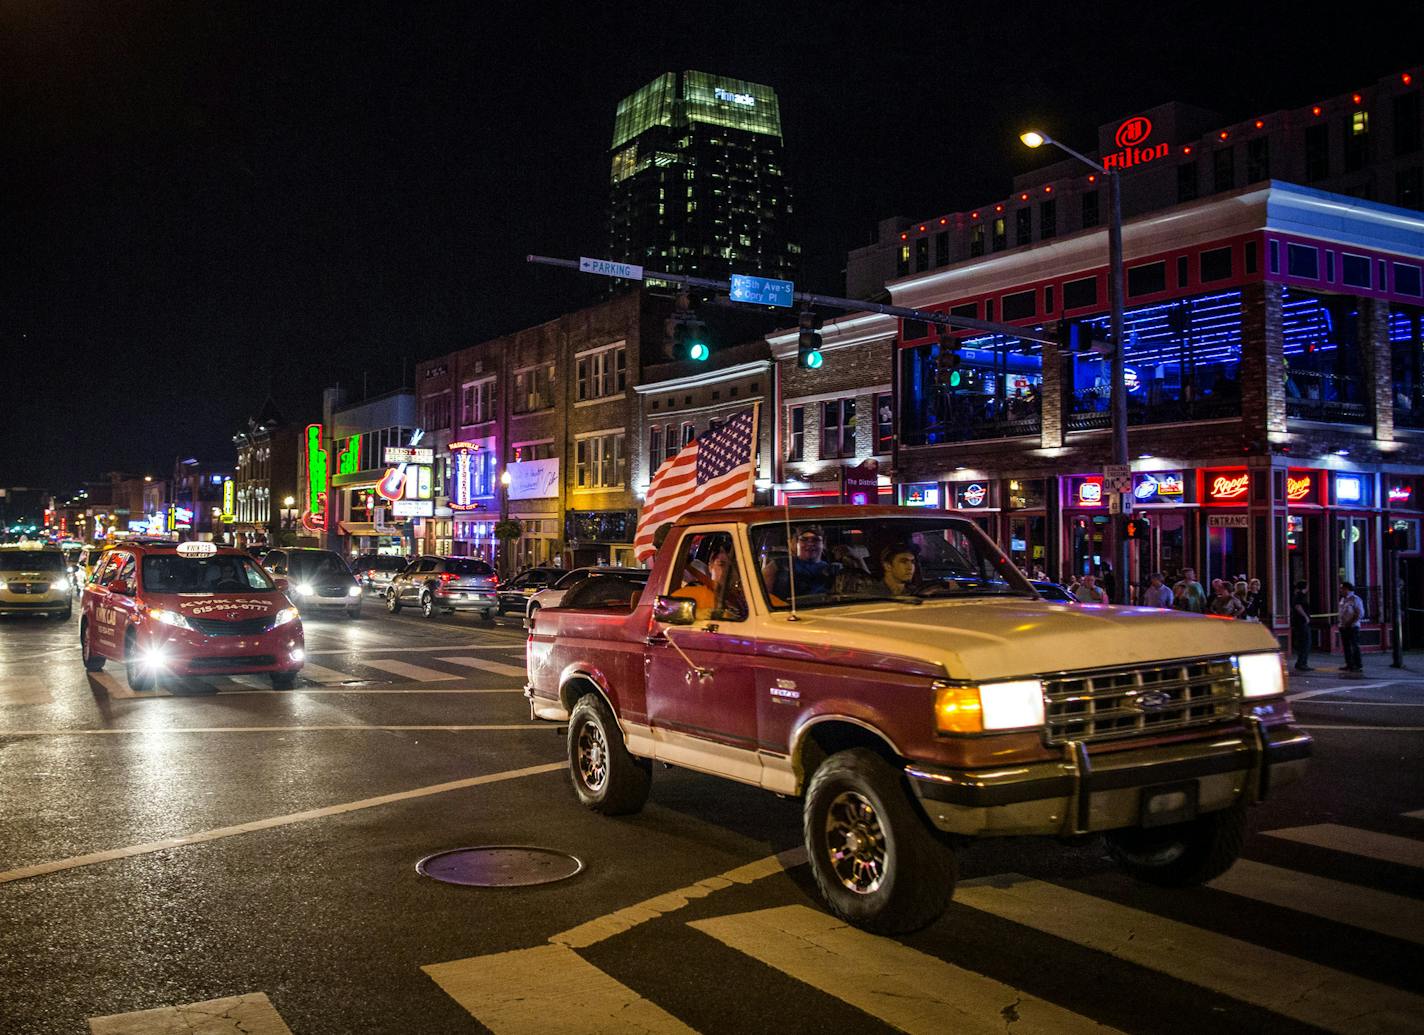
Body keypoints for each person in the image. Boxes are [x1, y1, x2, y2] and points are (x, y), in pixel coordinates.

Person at [763, 527, 839, 599]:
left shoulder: (832, 570)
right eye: (804, 539)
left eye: (816, 539)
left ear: (823, 543)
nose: (810, 544)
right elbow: (763, 597)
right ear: (797, 543)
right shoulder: (777, 566)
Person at [672, 541, 732, 620]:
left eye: (732, 567)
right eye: (721, 564)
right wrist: (693, 613)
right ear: (710, 566)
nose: (726, 571)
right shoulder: (691, 593)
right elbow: (667, 610)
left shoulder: (744, 597)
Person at [1338, 581, 1365, 673]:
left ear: (1347, 589)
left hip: (1353, 627)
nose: (1340, 590)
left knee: (1354, 646)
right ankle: (1349, 664)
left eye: (1342, 588)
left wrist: (1350, 622)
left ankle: (1357, 665)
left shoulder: (1355, 599)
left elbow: (1359, 613)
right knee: (1346, 646)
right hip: (1343, 626)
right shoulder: (1342, 600)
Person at [1291, 580, 1313, 671]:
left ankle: (1301, 662)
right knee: (1305, 643)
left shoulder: (1298, 595)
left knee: (1303, 643)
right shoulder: (1300, 596)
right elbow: (1298, 606)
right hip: (1301, 622)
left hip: (1299, 622)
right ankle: (1302, 663)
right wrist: (1305, 617)